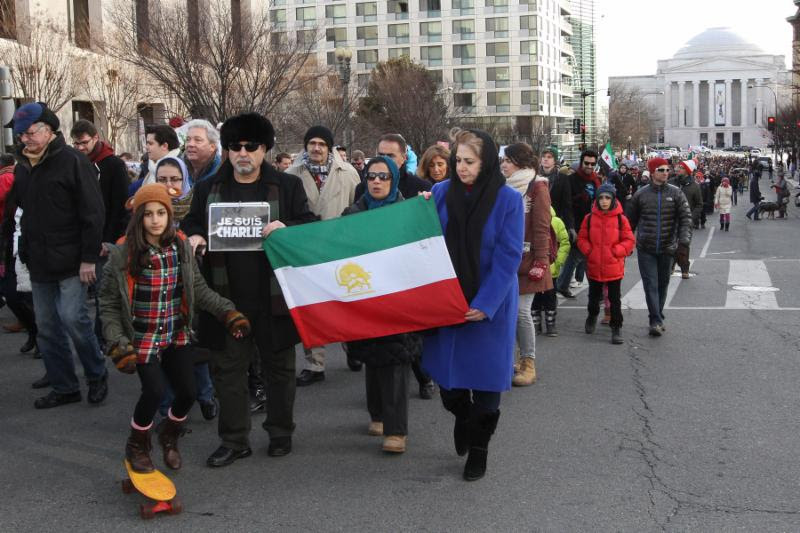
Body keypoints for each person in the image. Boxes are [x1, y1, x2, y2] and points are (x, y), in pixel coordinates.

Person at [181, 112, 316, 466]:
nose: (243, 153)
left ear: (264, 149)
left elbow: (308, 223)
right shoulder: (209, 188)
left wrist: (286, 226)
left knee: (280, 372)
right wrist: (195, 235)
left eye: (250, 147)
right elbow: (192, 221)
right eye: (235, 147)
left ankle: (280, 432)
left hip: (274, 297)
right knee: (228, 374)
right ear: (227, 151)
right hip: (224, 298)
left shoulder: (286, 187)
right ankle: (234, 439)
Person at [99, 184, 249, 473]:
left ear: (169, 216)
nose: (155, 220)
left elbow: (199, 290)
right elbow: (107, 304)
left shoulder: (180, 248)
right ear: (139, 218)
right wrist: (117, 342)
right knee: (154, 391)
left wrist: (227, 312)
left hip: (174, 334)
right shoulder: (122, 254)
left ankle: (169, 435)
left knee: (188, 393)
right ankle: (137, 445)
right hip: (141, 338)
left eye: (161, 213)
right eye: (148, 214)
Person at [423, 129, 524, 482]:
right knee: (449, 386)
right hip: (448, 302)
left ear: (486, 163)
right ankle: (462, 416)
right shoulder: (439, 192)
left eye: (469, 162)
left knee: (485, 384)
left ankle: (479, 450)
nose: (460, 168)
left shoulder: (508, 200)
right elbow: (425, 240)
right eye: (457, 161)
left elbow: (509, 256)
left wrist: (486, 303)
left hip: (489, 305)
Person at [7, 102, 108, 408]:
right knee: (47, 327)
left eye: (31, 132)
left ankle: (96, 374)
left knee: (74, 320)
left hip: (73, 260)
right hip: (39, 261)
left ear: (49, 130)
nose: (25, 138)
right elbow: (21, 213)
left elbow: (93, 212)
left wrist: (89, 257)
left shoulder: (73, 160)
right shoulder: (24, 167)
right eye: (21, 134)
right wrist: (20, 251)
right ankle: (65, 385)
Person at [341, 155, 420, 454]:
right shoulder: (352, 213)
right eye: (371, 176)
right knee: (372, 358)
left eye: (383, 177)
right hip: (365, 296)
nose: (376, 181)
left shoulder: (408, 213)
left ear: (395, 180)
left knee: (396, 360)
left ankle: (396, 430)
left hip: (399, 298)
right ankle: (376, 414)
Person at [285, 125, 360, 385]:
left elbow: (357, 209)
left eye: (322, 144)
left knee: (346, 303)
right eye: (312, 143)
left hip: (340, 250)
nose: (316, 148)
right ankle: (314, 364)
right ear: (306, 146)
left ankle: (353, 347)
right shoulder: (291, 174)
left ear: (329, 148)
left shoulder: (349, 173)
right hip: (305, 252)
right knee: (312, 308)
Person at [70, 119, 130, 349]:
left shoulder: (112, 164)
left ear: (95, 138)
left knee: (104, 294)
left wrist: (111, 240)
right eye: (76, 143)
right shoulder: (76, 162)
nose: (80, 147)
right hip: (83, 238)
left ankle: (102, 337)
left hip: (106, 238)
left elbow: (120, 204)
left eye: (83, 143)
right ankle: (96, 338)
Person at [501, 143, 550, 387]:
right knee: (506, 313)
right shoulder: (503, 186)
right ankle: (508, 361)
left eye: (508, 160)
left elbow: (542, 226)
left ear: (520, 162)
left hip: (529, 259)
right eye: (503, 160)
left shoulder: (537, 186)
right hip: (506, 258)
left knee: (521, 312)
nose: (504, 164)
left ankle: (528, 362)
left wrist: (542, 260)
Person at [626, 158, 692, 337]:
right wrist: (625, 242)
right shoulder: (641, 194)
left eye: (667, 170)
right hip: (646, 248)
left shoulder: (677, 193)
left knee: (663, 284)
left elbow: (686, 219)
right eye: (661, 170)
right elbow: (629, 222)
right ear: (653, 172)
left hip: (668, 247)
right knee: (650, 284)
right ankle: (655, 320)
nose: (665, 173)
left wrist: (684, 243)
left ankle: (658, 314)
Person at [577, 183, 635, 345]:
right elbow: (582, 238)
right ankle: (592, 315)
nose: (604, 201)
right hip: (595, 265)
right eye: (601, 197)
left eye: (607, 198)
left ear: (613, 200)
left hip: (613, 266)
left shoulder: (620, 219)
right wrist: (589, 250)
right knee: (594, 297)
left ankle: (616, 327)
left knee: (614, 299)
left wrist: (617, 251)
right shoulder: (589, 218)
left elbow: (629, 240)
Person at [555, 150, 599, 298]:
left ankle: (562, 285)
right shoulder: (570, 179)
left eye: (593, 164)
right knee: (584, 256)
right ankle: (597, 293)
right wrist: (570, 226)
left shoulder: (596, 180)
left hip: (592, 225)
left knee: (576, 256)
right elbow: (566, 204)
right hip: (576, 224)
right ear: (581, 163)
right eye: (587, 163)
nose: (590, 166)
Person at [533, 207, 569, 337]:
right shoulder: (530, 220)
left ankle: (550, 324)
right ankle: (535, 323)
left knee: (550, 297)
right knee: (534, 297)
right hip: (534, 268)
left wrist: (558, 261)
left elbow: (565, 242)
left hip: (551, 268)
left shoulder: (556, 221)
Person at [538, 146, 574, 235]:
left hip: (555, 221)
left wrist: (570, 226)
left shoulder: (562, 178)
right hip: (537, 220)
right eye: (544, 156)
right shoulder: (534, 176)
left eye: (549, 157)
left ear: (555, 160)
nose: (545, 159)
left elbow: (567, 204)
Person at [182, 119, 222, 185]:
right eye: (188, 139)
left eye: (197, 140)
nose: (190, 144)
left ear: (212, 147)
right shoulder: (178, 168)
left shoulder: (221, 174)